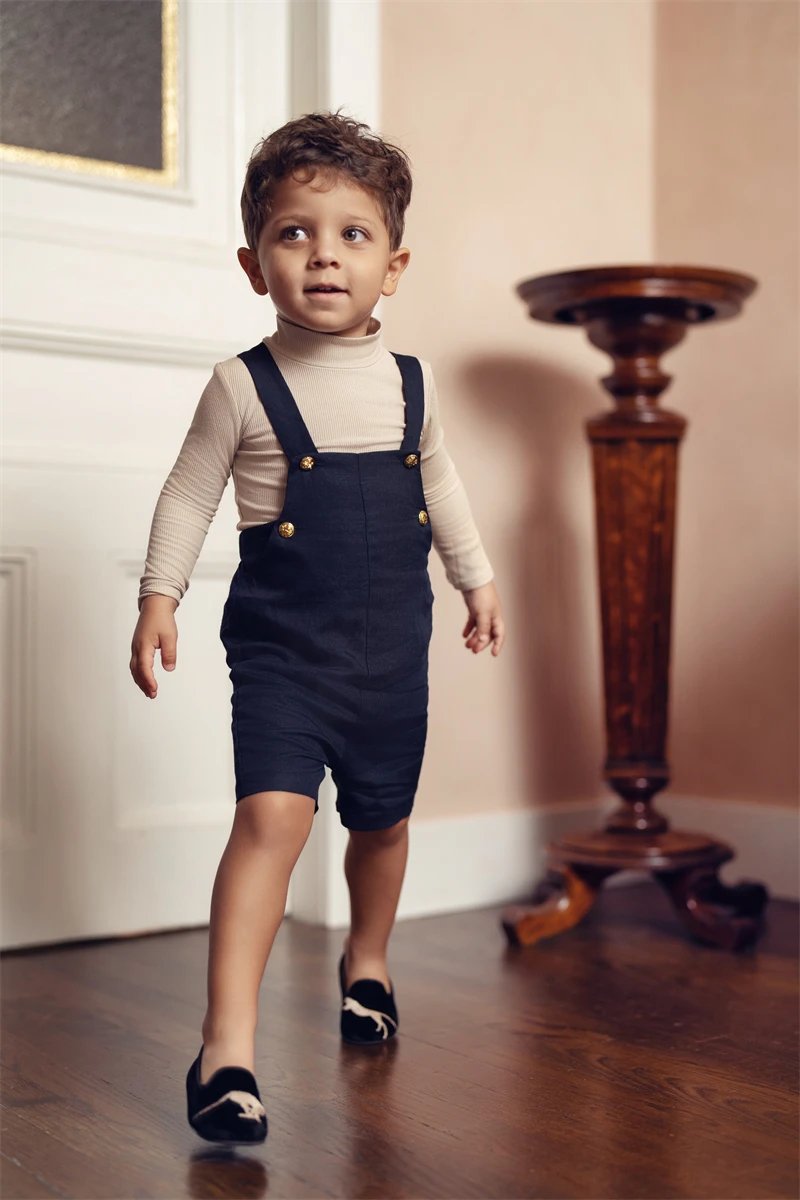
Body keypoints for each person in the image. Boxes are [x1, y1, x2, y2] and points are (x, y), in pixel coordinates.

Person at [130, 109, 505, 1144]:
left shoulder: (412, 386)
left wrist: (476, 580)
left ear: (393, 266)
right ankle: (226, 1049)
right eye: (293, 233)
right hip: (282, 657)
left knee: (380, 822)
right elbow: (187, 494)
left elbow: (441, 488)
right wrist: (159, 595)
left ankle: (366, 964)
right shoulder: (240, 386)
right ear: (255, 266)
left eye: (352, 235)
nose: (324, 256)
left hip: (390, 656)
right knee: (272, 820)